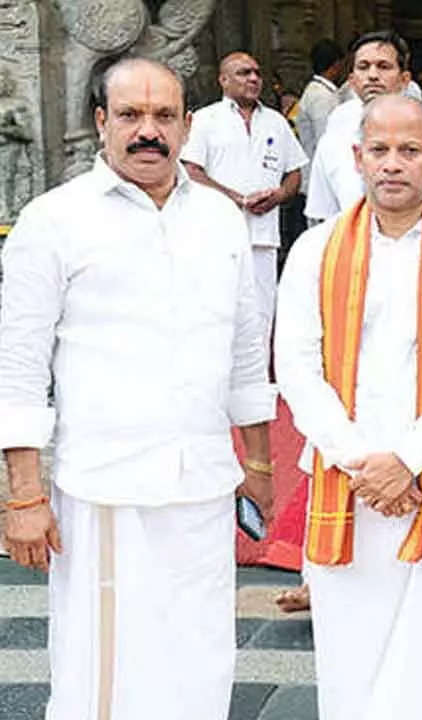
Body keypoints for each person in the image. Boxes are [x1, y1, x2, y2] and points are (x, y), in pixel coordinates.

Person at [0, 57, 275, 720]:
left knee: (201, 652)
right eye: (130, 115)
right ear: (101, 123)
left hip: (203, 481)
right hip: (103, 488)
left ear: (186, 126)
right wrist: (24, 493)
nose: (147, 131)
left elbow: (244, 352)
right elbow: (18, 366)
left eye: (163, 116)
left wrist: (260, 464)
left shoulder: (218, 221)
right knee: (106, 667)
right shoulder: (53, 221)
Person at [274, 93, 422, 720]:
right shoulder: (315, 250)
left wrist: (406, 459)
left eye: (409, 150)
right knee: (350, 653)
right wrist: (364, 463)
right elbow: (297, 368)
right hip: (346, 477)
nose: (393, 164)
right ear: (356, 157)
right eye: (379, 150)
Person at [181, 51, 307, 361]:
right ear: (223, 80)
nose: (253, 78)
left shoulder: (276, 121)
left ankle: (259, 387)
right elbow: (191, 171)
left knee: (261, 312)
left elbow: (295, 174)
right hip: (216, 235)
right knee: (216, 310)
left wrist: (277, 196)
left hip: (264, 236)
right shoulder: (205, 120)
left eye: (256, 73)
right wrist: (237, 199)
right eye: (243, 73)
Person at [305, 31, 422, 223]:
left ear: (405, 79)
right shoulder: (333, 142)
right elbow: (322, 217)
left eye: (383, 66)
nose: (373, 76)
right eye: (363, 67)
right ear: (352, 81)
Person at [295, 39, 345, 195]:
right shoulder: (321, 96)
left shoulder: (322, 91)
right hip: (320, 178)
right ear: (336, 64)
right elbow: (324, 139)